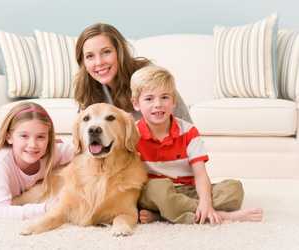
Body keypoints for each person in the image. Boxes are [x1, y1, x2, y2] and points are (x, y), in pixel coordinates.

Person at [130, 65, 263, 224]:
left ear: (174, 102)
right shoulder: (133, 134)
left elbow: (200, 174)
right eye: (149, 99)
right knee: (158, 189)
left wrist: (205, 201)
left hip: (187, 189)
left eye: (164, 97)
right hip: (155, 193)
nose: (158, 104)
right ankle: (222, 216)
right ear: (136, 104)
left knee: (234, 189)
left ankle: (163, 215)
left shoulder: (188, 131)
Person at [0, 102, 74, 219]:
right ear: (9, 137)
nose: (33, 144)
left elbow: (82, 151)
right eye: (24, 136)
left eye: (41, 137)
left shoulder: (51, 152)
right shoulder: (2, 162)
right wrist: (45, 208)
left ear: (48, 138)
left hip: (23, 195)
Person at [73, 23, 192, 122]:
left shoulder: (149, 76)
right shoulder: (86, 86)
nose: (99, 62)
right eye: (90, 56)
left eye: (106, 52)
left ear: (120, 53)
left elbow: (185, 124)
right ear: (83, 62)